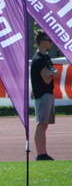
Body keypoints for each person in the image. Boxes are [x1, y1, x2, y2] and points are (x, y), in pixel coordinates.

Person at [31, 29, 57, 161]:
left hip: (48, 93)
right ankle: (40, 154)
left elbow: (53, 72)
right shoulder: (38, 59)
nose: (51, 42)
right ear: (42, 42)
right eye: (49, 40)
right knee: (41, 124)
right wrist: (51, 73)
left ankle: (44, 152)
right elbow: (46, 78)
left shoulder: (46, 57)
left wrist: (50, 73)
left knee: (44, 125)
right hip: (42, 93)